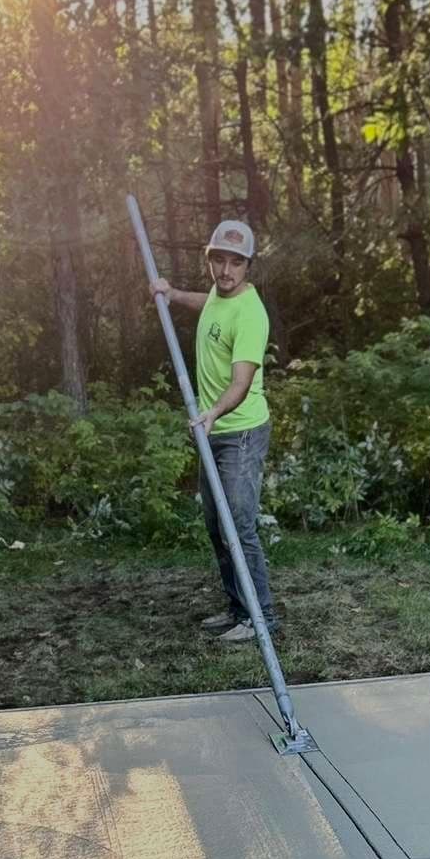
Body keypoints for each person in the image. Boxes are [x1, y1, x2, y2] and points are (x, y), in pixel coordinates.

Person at [151, 218, 276, 645]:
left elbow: (240, 384)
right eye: (219, 260)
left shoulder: (251, 313)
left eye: (235, 263)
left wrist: (213, 413)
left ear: (248, 266)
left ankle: (263, 618)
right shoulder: (221, 298)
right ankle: (238, 610)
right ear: (210, 260)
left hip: (239, 431)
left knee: (237, 526)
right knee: (214, 526)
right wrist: (170, 295)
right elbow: (208, 303)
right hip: (214, 429)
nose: (226, 271)